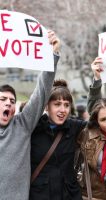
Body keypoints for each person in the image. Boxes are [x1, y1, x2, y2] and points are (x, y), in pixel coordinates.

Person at [29, 57, 103, 199]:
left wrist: (97, 79)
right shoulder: (33, 128)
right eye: (57, 104)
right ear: (46, 106)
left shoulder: (74, 127)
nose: (63, 109)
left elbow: (96, 118)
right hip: (39, 195)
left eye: (66, 105)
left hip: (68, 194)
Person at [0, 30, 60, 200]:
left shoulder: (22, 125)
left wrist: (52, 56)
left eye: (12, 101)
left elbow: (41, 91)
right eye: (2, 99)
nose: (8, 103)